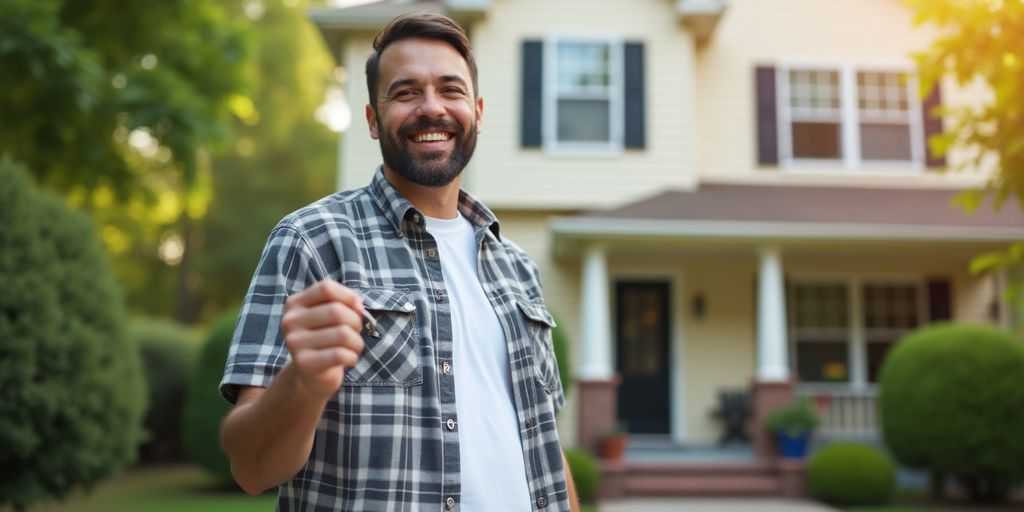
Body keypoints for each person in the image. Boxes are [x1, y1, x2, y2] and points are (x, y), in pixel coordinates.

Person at [218, 12, 580, 512]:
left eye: (450, 90)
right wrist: (302, 383)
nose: (431, 107)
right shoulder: (313, 241)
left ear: (477, 112)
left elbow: (543, 445)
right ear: (372, 120)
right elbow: (251, 469)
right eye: (406, 92)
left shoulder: (518, 269)